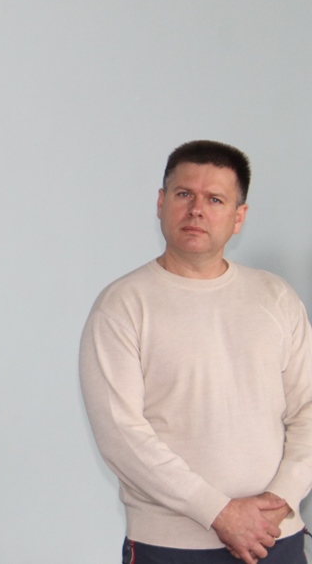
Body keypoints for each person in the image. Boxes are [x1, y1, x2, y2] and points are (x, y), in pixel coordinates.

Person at [79, 140, 312, 564]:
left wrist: (280, 501)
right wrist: (219, 512)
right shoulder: (123, 305)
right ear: (161, 202)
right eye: (184, 194)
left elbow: (308, 411)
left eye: (215, 199)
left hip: (276, 537)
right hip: (171, 546)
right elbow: (122, 435)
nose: (196, 210)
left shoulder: (276, 297)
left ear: (239, 217)